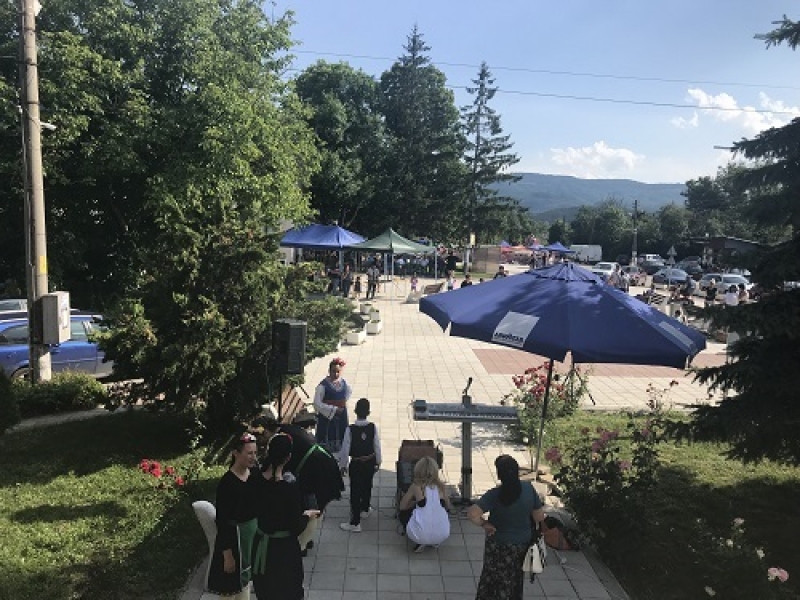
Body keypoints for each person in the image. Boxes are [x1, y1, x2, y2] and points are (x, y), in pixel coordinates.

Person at [251, 417, 344, 555]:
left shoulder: (280, 439)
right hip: (320, 464)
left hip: (317, 470)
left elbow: (275, 461)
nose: (260, 442)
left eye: (260, 438)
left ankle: (302, 545)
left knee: (312, 507)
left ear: (265, 432)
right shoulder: (286, 429)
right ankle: (307, 538)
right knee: (314, 505)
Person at [249, 433, 321, 600]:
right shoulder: (288, 489)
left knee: (265, 591)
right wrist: (306, 516)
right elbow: (296, 526)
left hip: (261, 546)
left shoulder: (255, 479)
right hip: (284, 551)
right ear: (288, 457)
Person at [467, 455, 546, 600]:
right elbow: (539, 517)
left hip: (498, 544)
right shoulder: (528, 489)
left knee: (492, 577)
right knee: (515, 578)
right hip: (521, 544)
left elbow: (472, 514)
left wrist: (485, 524)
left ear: (499, 475)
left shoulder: (494, 495)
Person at [206, 433, 259, 597]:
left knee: (246, 585)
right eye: (249, 453)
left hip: (251, 538)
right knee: (230, 590)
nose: (253, 457)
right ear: (236, 453)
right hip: (234, 540)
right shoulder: (227, 483)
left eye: (255, 453)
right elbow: (222, 521)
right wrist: (227, 555)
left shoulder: (254, 475)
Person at [339, 398, 382, 533]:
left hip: (356, 463)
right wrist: (378, 461)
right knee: (367, 485)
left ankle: (355, 522)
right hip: (370, 461)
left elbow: (345, 449)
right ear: (368, 412)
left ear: (355, 411)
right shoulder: (372, 427)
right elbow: (377, 445)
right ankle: (365, 509)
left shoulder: (350, 429)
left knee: (355, 491)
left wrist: (343, 465)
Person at [397, 456, 452, 552]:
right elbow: (448, 507)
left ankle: (420, 541)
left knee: (403, 514)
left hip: (419, 535)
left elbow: (402, 506)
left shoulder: (416, 486)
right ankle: (435, 539)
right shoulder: (441, 487)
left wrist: (415, 503)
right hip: (443, 534)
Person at [314, 357, 352, 453]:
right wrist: (333, 409)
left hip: (341, 418)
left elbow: (348, 394)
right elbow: (317, 404)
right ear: (329, 371)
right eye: (333, 371)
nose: (335, 374)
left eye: (338, 371)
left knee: (341, 440)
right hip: (327, 420)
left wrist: (342, 404)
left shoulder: (343, 383)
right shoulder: (323, 386)